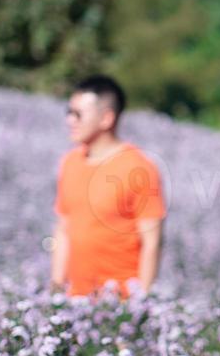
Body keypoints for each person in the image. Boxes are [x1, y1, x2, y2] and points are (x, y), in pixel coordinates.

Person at [50, 75, 166, 298]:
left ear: (106, 119)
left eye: (78, 114)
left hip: (119, 304)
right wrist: (56, 287)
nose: (70, 121)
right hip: (75, 300)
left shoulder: (139, 169)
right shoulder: (70, 163)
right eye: (69, 112)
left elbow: (152, 243)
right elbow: (63, 229)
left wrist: (140, 302)